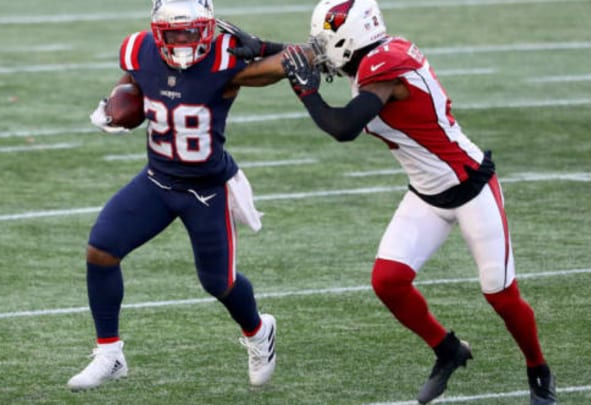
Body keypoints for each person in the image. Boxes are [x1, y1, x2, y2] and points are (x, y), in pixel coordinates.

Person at [226, 0, 557, 403]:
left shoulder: (387, 67)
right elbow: (325, 53)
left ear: (352, 37)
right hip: (427, 193)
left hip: (471, 187)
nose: (321, 46)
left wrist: (305, 91)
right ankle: (449, 351)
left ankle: (538, 368)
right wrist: (264, 47)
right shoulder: (373, 54)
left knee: (500, 294)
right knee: (388, 282)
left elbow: (343, 127)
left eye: (327, 39)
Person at [67, 0, 290, 391]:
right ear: (157, 33)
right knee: (101, 249)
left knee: (218, 282)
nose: (185, 40)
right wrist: (116, 102)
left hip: (205, 189)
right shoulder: (139, 50)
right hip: (157, 180)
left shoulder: (225, 57)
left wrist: (266, 46)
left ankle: (258, 332)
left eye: (192, 31)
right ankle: (109, 354)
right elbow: (133, 79)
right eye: (175, 33)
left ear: (207, 29)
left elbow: (288, 63)